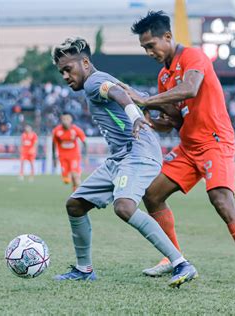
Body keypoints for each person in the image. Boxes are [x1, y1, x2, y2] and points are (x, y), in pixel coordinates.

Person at [121, 11, 235, 286]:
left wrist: (144, 100)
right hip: (189, 147)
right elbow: (175, 120)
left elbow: (190, 88)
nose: (148, 52)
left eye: (150, 45)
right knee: (152, 195)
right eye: (144, 48)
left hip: (215, 141)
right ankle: (172, 257)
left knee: (221, 201)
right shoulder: (164, 77)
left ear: (167, 37)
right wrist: (152, 122)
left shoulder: (193, 56)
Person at [51, 37, 197, 287]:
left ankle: (181, 264)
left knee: (125, 207)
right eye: (61, 71)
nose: (65, 76)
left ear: (85, 62)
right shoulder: (97, 79)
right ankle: (84, 270)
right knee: (75, 205)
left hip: (137, 151)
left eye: (68, 69)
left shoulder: (94, 82)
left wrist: (134, 116)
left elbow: (117, 92)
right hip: (120, 156)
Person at [52, 112, 87, 191]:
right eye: (64, 119)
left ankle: (78, 194)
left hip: (74, 155)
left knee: (75, 175)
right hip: (62, 156)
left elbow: (85, 142)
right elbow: (53, 144)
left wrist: (85, 155)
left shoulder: (76, 130)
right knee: (66, 181)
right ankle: (74, 186)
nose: (65, 121)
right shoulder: (56, 131)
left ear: (71, 120)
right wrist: (54, 158)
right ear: (61, 120)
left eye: (67, 119)